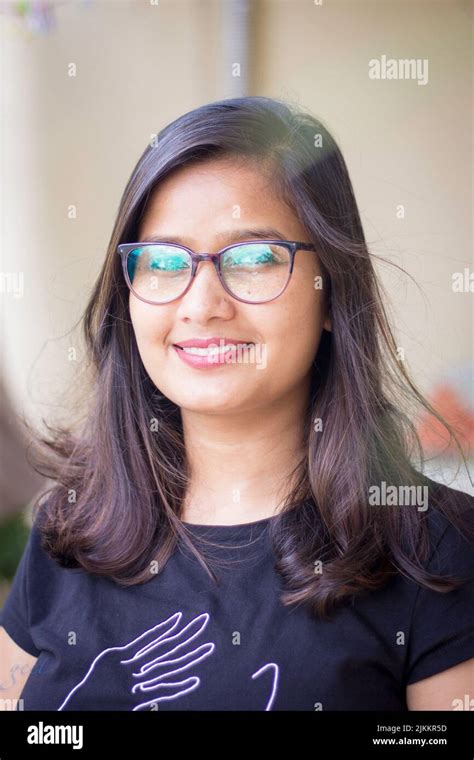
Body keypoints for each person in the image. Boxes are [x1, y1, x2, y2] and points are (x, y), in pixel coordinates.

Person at [1, 96, 473, 712]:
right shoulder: (71, 528)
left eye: (252, 259)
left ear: (332, 291)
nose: (200, 305)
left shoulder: (435, 549)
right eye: (164, 261)